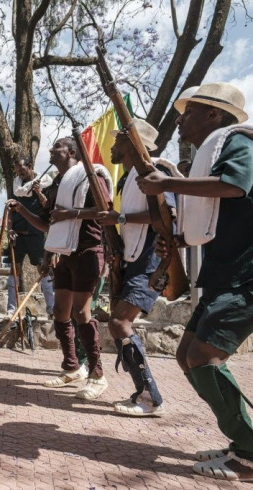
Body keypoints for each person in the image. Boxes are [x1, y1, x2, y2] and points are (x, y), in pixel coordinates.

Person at [137, 82, 253, 481]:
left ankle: (251, 454)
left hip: (245, 277)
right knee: (188, 354)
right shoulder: (212, 154)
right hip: (224, 273)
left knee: (203, 357)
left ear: (214, 115)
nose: (181, 119)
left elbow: (236, 185)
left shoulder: (239, 144)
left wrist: (167, 184)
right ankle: (243, 443)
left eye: (190, 112)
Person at [8, 137, 112, 400]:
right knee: (61, 312)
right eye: (51, 147)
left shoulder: (91, 175)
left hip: (88, 251)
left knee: (81, 312)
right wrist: (21, 209)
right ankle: (71, 367)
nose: (51, 151)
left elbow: (104, 210)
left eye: (57, 148)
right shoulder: (57, 184)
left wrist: (72, 214)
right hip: (65, 255)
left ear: (73, 152)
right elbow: (47, 224)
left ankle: (97, 375)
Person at [92, 119, 175, 416]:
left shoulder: (157, 172)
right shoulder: (127, 180)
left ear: (133, 144)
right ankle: (144, 394)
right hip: (131, 261)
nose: (113, 146)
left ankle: (150, 398)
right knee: (117, 323)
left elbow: (167, 217)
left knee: (119, 323)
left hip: (151, 261)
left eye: (119, 140)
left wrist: (120, 220)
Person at [8, 158, 55, 319]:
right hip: (18, 235)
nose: (19, 172)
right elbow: (10, 210)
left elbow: (48, 207)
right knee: (14, 272)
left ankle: (51, 308)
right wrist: (9, 230)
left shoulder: (45, 184)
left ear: (30, 167)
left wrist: (38, 192)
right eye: (17, 170)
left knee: (43, 269)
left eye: (21, 168)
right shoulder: (17, 187)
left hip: (36, 234)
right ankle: (11, 309)